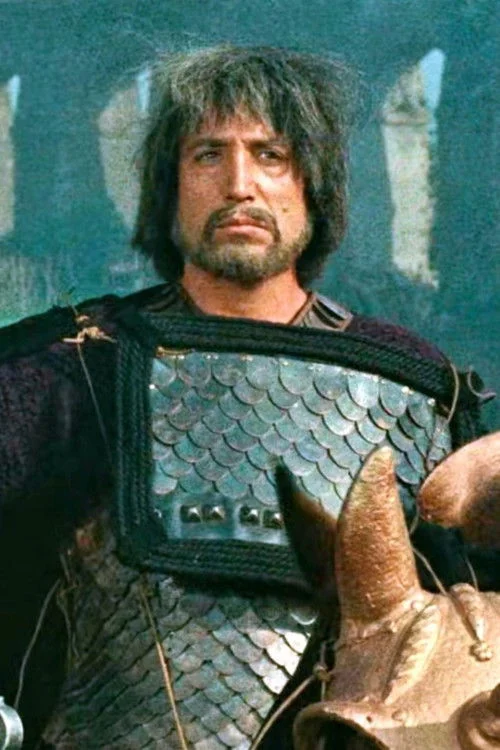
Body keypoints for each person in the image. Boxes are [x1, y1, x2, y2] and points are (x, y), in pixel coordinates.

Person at [0, 46, 493, 749]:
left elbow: (466, 635)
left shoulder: (411, 382)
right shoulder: (65, 369)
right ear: (169, 189)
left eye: (271, 155)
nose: (239, 185)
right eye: (208, 155)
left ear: (312, 187)